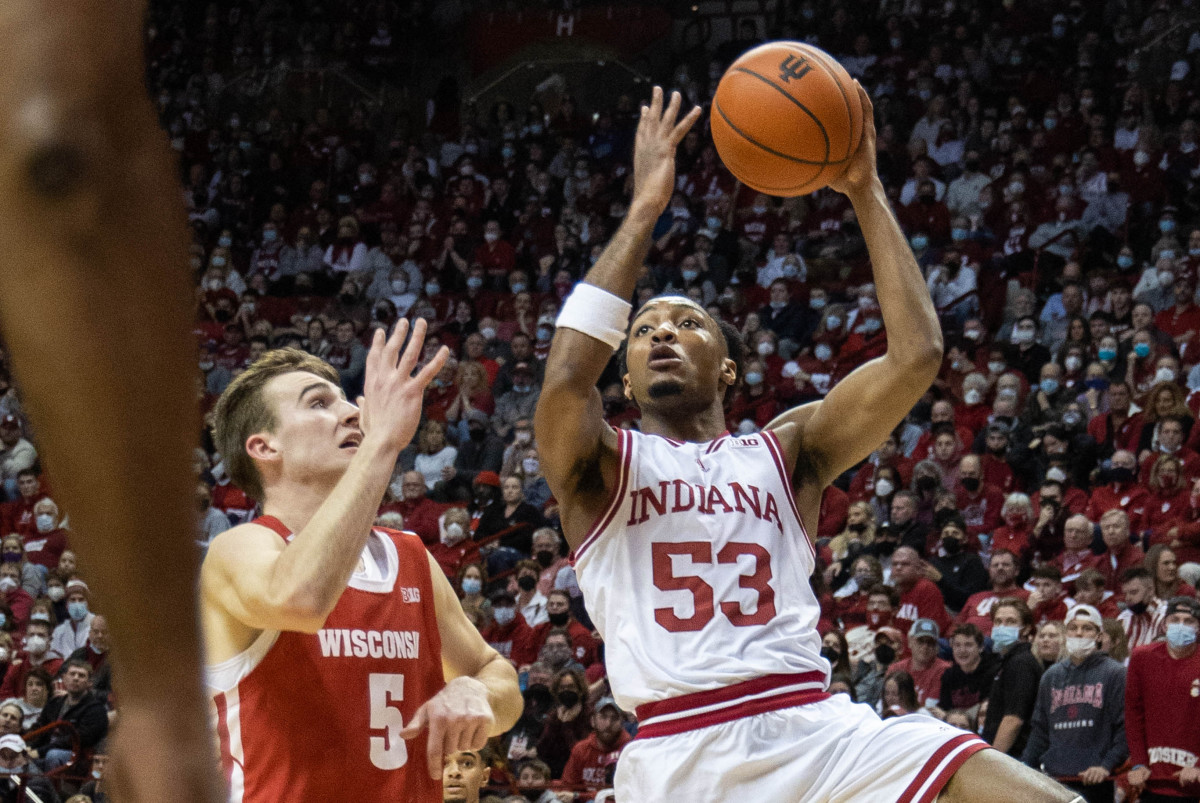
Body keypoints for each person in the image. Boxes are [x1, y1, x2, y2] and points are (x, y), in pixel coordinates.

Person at [535, 86, 1074, 801]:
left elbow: (916, 355)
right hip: (680, 752)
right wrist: (643, 211)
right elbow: (567, 377)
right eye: (643, 329)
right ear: (626, 380)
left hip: (817, 727)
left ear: (728, 367)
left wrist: (865, 187)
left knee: (1009, 781)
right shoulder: (600, 467)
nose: (662, 331)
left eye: (687, 323)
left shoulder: (787, 450)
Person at [201, 327, 521, 800]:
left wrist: (478, 695)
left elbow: (496, 676)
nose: (352, 413)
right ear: (265, 447)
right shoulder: (240, 549)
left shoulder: (410, 556)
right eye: (318, 403)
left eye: (348, 402)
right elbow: (301, 600)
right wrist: (382, 445)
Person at [1022, 605, 1128, 803]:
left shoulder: (1115, 673)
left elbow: (1125, 728)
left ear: (1099, 635)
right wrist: (1025, 768)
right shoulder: (1051, 676)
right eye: (1073, 627)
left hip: (1097, 780)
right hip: (1055, 779)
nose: (1079, 633)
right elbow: (1040, 730)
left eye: (1087, 628)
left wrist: (1106, 765)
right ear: (1066, 633)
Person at [1124, 597, 1200, 802]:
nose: (1181, 626)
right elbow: (1133, 714)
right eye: (1175, 619)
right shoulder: (1141, 657)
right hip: (1152, 781)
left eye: (1189, 621)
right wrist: (1139, 763)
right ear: (1165, 624)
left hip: (1193, 785)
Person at [981, 598, 1044, 758]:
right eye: (998, 621)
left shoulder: (1021, 663)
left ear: (1026, 628)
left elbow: (1014, 719)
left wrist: (994, 759)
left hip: (1014, 757)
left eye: (1010, 622)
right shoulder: (1006, 662)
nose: (1002, 626)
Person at [26, 658, 108, 771]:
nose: (76, 678)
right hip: (46, 749)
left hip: (77, 757)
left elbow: (77, 739)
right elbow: (40, 729)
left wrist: (39, 751)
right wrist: (27, 747)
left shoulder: (96, 710)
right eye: (72, 674)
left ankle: (50, 788)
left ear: (89, 683)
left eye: (81, 676)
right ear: (64, 678)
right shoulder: (54, 703)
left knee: (53, 755)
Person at [560, 696, 631, 792]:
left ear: (622, 723)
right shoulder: (581, 749)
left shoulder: (630, 750)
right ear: (593, 721)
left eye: (614, 718)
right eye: (603, 717)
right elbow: (567, 786)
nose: (608, 724)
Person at [889, 619, 951, 709]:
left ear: (937, 647)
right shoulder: (896, 669)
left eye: (930, 642)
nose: (925, 646)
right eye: (920, 641)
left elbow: (930, 709)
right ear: (910, 642)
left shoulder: (944, 670)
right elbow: (885, 703)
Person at [1117, 567, 1167, 649]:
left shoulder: (1166, 617)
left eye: (1133, 592)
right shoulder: (1123, 618)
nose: (1127, 598)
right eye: (1125, 594)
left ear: (1150, 590)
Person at [0, 734, 59, 803]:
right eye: (3, 757)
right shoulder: (6, 775)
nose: (8, 762)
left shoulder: (35, 782)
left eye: (13, 757)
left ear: (25, 757)